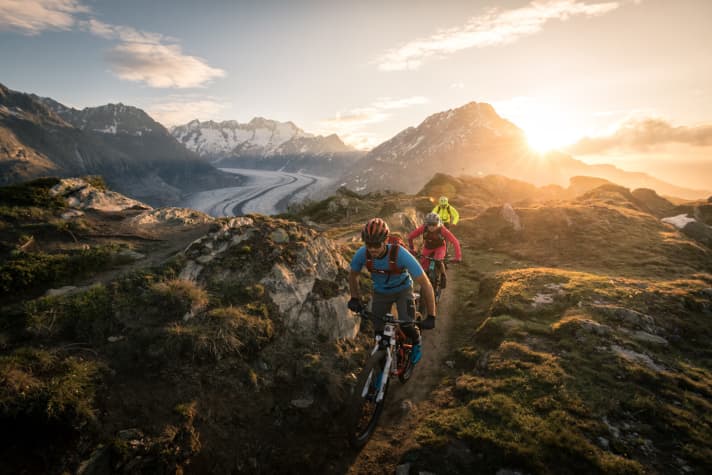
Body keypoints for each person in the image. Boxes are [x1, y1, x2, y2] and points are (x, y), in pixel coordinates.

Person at [348, 218, 437, 364]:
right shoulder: (362, 254)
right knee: (378, 331)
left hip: (403, 290)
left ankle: (417, 342)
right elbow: (353, 275)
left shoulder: (400, 254)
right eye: (368, 244)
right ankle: (381, 364)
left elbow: (425, 283)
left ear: (386, 240)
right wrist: (355, 298)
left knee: (406, 324)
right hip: (381, 292)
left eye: (376, 244)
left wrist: (432, 316)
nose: (372, 249)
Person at [407, 212, 462, 289]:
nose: (432, 227)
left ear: (438, 224)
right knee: (423, 267)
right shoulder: (423, 228)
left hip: (440, 247)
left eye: (434, 224)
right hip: (428, 247)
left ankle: (443, 276)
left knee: (438, 260)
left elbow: (455, 241)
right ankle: (425, 284)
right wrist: (412, 249)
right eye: (430, 224)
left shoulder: (442, 230)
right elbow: (410, 237)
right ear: (426, 224)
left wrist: (458, 257)